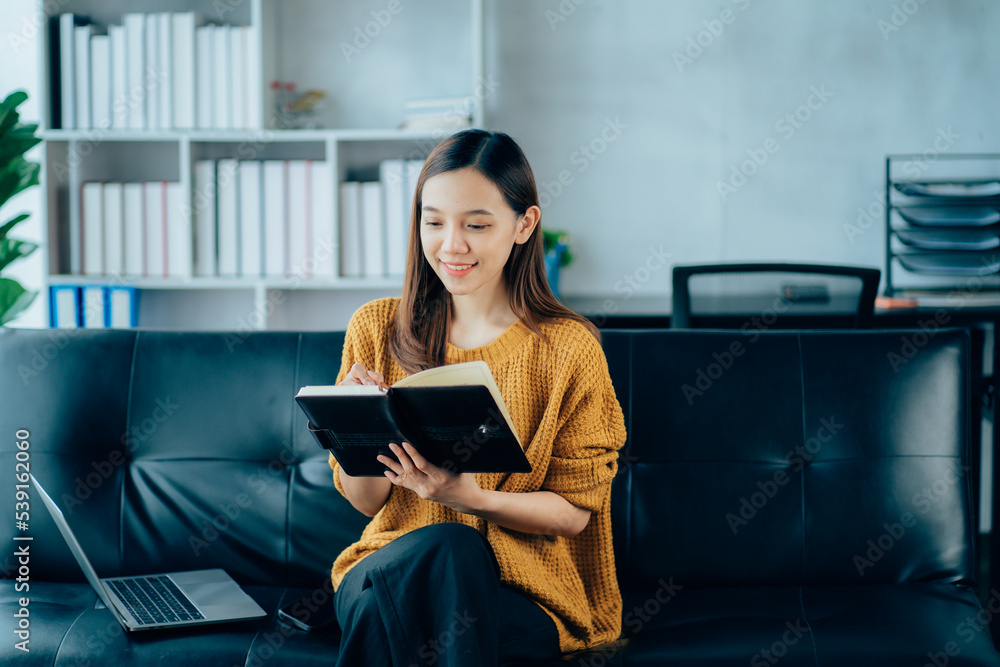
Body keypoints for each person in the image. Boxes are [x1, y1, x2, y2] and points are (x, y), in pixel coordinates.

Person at [329, 129, 627, 666]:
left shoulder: (568, 350)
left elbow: (574, 515)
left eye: (477, 225)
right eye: (434, 221)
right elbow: (366, 501)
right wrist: (359, 423)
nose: (451, 245)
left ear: (524, 225)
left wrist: (471, 499)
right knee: (437, 555)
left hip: (520, 595)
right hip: (385, 565)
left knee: (441, 563)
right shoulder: (375, 329)